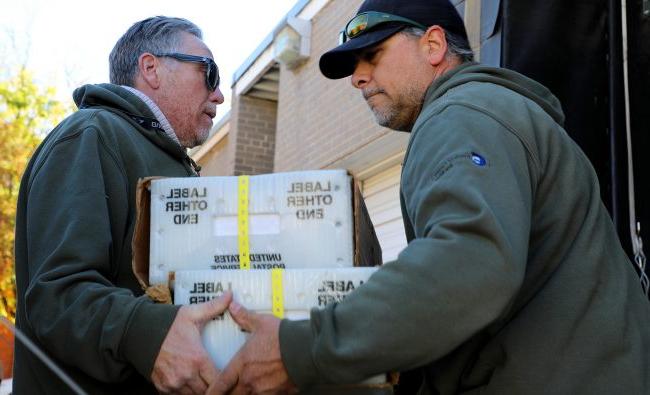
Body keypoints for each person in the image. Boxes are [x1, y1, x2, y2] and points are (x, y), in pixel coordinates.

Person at [209, 0, 650, 394]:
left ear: (434, 45)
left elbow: (468, 264)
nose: (359, 78)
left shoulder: (459, 117)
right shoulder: (493, 111)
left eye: (372, 55)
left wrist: (302, 350)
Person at [14, 16, 230, 394]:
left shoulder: (169, 160)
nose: (219, 95)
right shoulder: (91, 135)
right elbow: (57, 296)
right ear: (151, 68)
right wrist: (150, 335)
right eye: (209, 73)